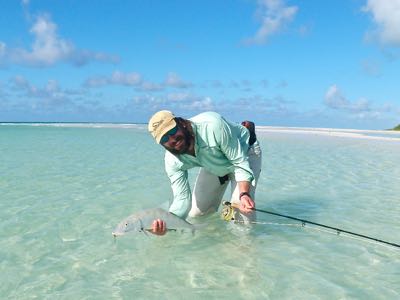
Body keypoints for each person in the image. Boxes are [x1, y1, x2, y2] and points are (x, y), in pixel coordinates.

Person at [147, 110, 262, 235]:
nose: (172, 139)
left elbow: (240, 163)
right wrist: (167, 224)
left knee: (242, 220)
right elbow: (182, 199)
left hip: (245, 153)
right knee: (197, 214)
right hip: (213, 163)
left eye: (172, 131)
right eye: (164, 138)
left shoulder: (212, 126)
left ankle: (245, 248)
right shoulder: (172, 161)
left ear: (181, 123)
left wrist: (244, 194)